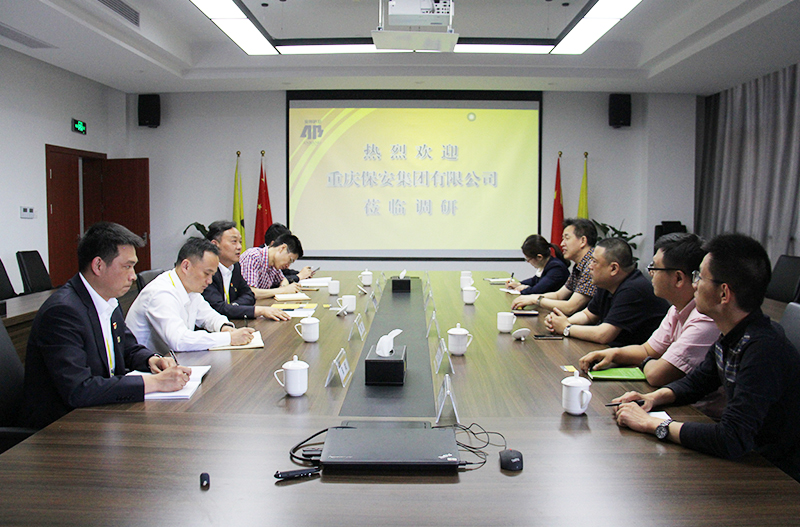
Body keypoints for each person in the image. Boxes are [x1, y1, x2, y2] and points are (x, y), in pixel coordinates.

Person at [613, 234, 800, 482]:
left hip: (775, 475)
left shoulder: (763, 350)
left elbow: (732, 437)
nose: (694, 285)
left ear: (724, 294)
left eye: (699, 277)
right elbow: (698, 382)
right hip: (748, 459)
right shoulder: (732, 333)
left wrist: (652, 424)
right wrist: (651, 398)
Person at [20, 222, 191, 429]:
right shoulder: (63, 312)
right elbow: (79, 389)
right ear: (98, 266)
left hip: (101, 414)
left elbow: (128, 348)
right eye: (127, 266)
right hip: (60, 428)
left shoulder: (108, 301)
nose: (133, 276)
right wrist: (155, 383)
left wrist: (152, 360)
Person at [578, 233, 723, 416]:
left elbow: (657, 374)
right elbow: (648, 349)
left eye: (655, 267)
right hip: (675, 401)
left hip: (701, 416)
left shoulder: (704, 318)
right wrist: (614, 353)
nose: (650, 273)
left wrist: (646, 361)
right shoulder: (677, 308)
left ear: (678, 278)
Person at [126, 237, 255, 354]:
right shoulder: (161, 293)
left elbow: (208, 316)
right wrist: (228, 338)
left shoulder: (190, 288)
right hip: (149, 366)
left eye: (212, 275)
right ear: (186, 266)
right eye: (206, 273)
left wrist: (224, 327)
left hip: (173, 361)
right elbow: (179, 340)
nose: (210, 281)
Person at [545, 237, 669, 346]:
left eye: (595, 261)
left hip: (639, 359)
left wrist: (566, 328)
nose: (590, 266)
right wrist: (559, 322)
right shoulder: (607, 283)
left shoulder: (633, 289)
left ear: (613, 268)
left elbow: (603, 335)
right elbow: (588, 315)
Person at [202, 220, 290, 321]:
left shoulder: (235, 267)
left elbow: (249, 295)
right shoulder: (207, 271)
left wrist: (233, 307)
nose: (239, 247)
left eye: (240, 242)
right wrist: (259, 311)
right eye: (234, 241)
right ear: (215, 244)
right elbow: (217, 308)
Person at [512, 218, 598, 316]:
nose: (562, 244)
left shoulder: (591, 265)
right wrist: (530, 298)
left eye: (567, 238)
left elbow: (570, 307)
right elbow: (559, 295)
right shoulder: (579, 266)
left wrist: (536, 300)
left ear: (582, 241)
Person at [239, 232, 305, 299]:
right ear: (282, 248)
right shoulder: (253, 257)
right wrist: (283, 290)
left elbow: (283, 280)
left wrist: (283, 287)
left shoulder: (274, 265)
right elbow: (251, 292)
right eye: (290, 260)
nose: (288, 266)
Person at [505, 234, 570, 296]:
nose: (528, 262)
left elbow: (537, 290)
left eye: (528, 259)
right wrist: (519, 284)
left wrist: (523, 289)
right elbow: (534, 280)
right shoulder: (548, 264)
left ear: (539, 257)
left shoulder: (556, 268)